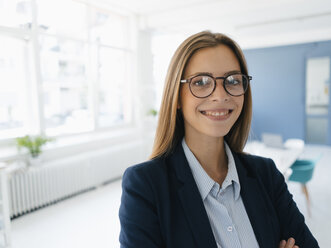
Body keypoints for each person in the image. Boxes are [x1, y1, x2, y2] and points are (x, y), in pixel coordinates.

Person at [119, 31, 319, 248]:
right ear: (176, 96)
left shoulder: (266, 174)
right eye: (201, 82)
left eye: (232, 80)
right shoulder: (145, 185)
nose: (220, 95)